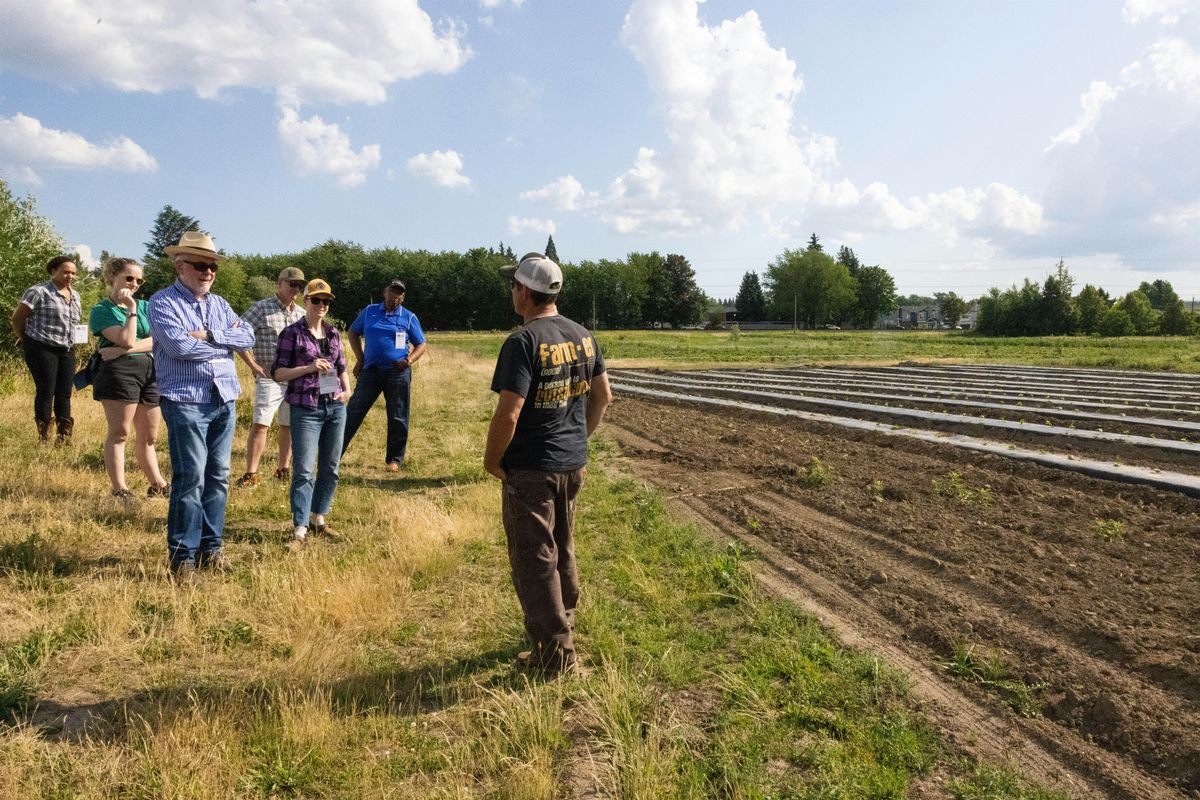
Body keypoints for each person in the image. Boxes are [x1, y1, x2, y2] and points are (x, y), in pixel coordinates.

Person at [484, 252, 612, 675]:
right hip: (572, 464)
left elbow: (510, 412)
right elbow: (603, 397)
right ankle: (563, 627)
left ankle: (555, 657)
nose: (511, 292)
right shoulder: (583, 335)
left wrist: (492, 459)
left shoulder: (522, 342)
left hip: (532, 469)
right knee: (563, 547)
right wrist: (578, 441)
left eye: (513, 285)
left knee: (535, 557)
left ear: (524, 292)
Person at [148, 231, 255, 582]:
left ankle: (212, 550)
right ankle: (183, 558)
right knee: (191, 477)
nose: (208, 272)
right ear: (180, 266)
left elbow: (249, 337)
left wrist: (210, 336)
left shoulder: (220, 304)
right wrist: (226, 343)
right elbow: (180, 348)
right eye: (200, 265)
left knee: (219, 477)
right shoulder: (162, 303)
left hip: (223, 397)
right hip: (186, 401)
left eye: (212, 266)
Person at [272, 279, 351, 550]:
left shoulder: (333, 333)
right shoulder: (291, 334)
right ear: (305, 301)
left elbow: (341, 366)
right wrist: (308, 368)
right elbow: (278, 372)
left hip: (334, 406)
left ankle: (319, 518)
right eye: (316, 300)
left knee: (331, 468)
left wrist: (347, 391)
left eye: (326, 301)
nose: (321, 305)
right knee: (304, 470)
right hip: (305, 407)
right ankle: (300, 528)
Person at [89, 258, 170, 499]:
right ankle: (120, 488)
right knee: (120, 432)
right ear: (112, 277)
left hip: (150, 371)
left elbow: (159, 339)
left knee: (149, 435)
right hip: (118, 373)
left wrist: (124, 349)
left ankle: (158, 485)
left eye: (138, 280)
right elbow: (125, 337)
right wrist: (131, 309)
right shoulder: (102, 310)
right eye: (129, 278)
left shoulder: (148, 306)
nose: (134, 283)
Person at [341, 278, 427, 471]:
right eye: (392, 291)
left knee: (397, 415)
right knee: (354, 411)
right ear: (384, 292)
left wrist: (409, 360)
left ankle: (394, 460)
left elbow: (421, 344)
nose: (394, 296)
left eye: (399, 294)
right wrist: (361, 359)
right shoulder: (370, 311)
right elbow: (353, 332)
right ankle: (333, 454)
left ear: (402, 298)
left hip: (397, 373)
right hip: (370, 371)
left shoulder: (409, 317)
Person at [235, 267, 306, 488]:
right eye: (292, 284)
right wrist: (253, 365)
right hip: (269, 377)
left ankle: (283, 470)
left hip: (294, 378)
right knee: (261, 424)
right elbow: (237, 334)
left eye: (300, 286)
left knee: (288, 425)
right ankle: (251, 474)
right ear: (279, 283)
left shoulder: (301, 313)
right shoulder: (261, 308)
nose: (296, 289)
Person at [10, 255, 83, 443]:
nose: (70, 276)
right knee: (46, 390)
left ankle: (64, 436)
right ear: (53, 271)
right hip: (41, 347)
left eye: (73, 273)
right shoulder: (38, 292)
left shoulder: (75, 296)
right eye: (65, 272)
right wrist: (25, 339)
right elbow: (18, 318)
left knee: (65, 392)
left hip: (66, 349)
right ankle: (44, 436)